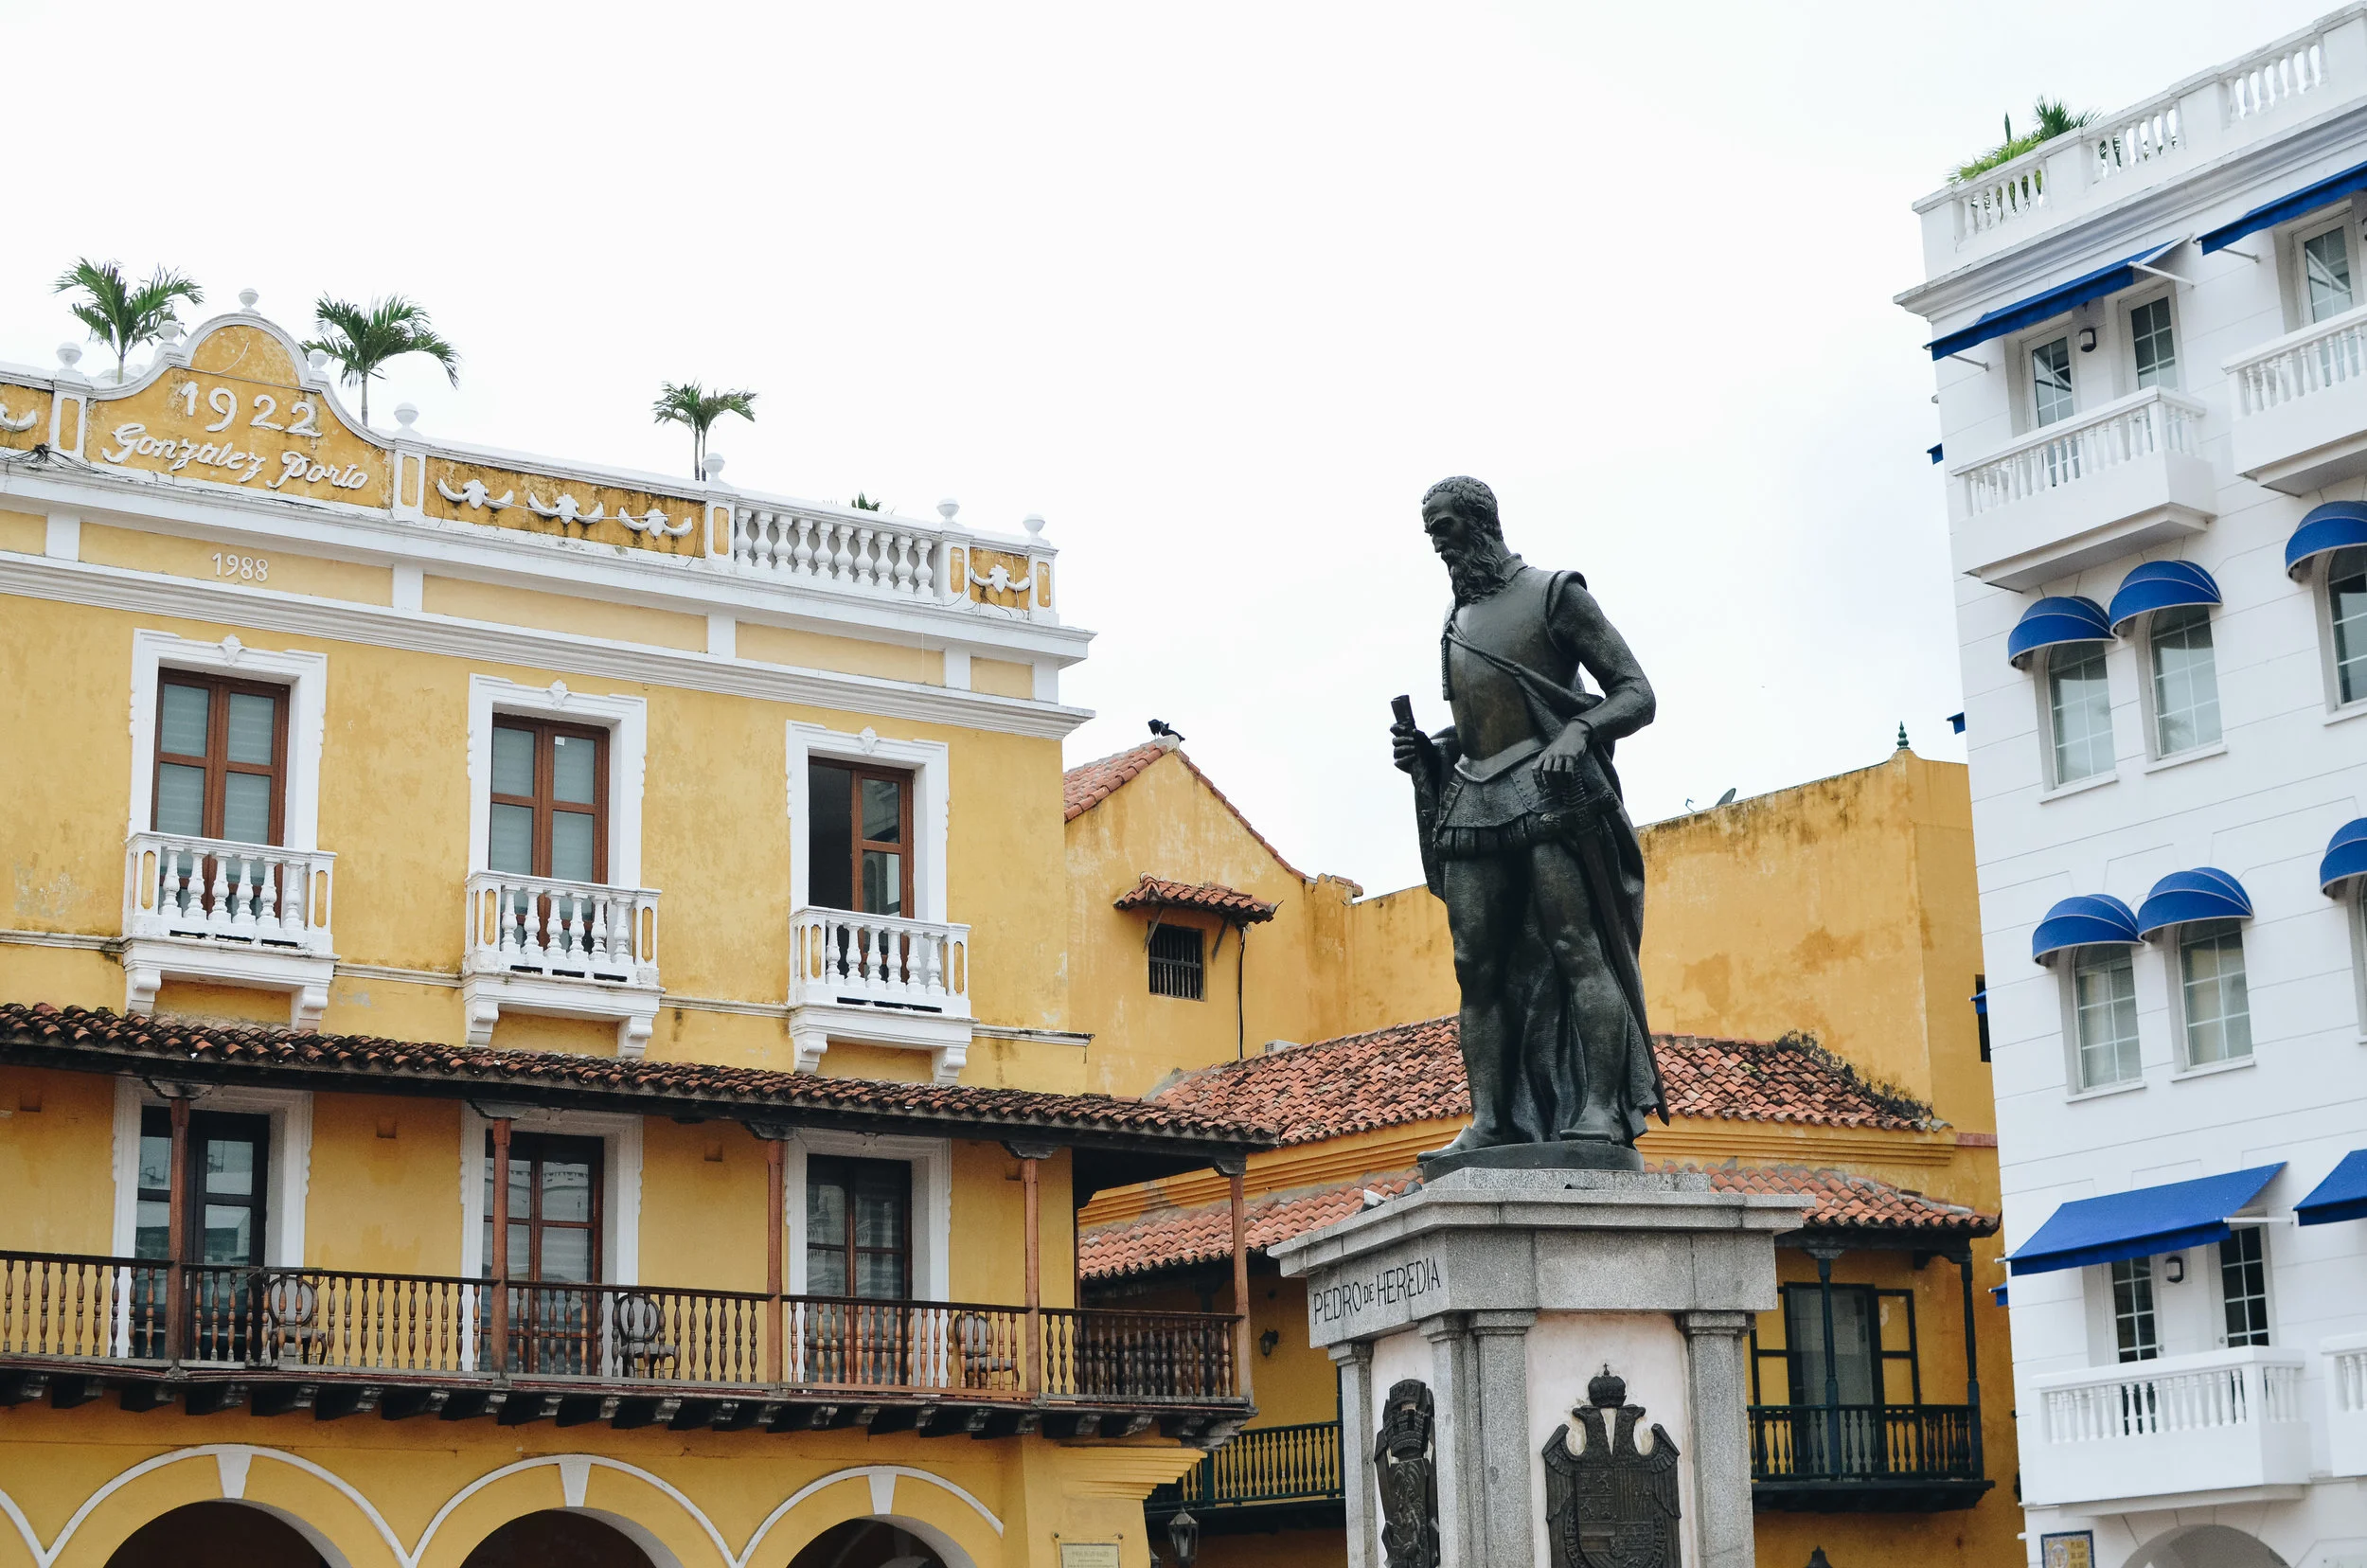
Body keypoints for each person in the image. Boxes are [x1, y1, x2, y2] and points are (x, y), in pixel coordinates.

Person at [1389, 476, 1665, 1161]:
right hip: (1475, 795)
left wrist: (1579, 734)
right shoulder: (1456, 618)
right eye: (1430, 533)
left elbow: (1636, 694)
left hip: (1550, 795)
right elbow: (1474, 724)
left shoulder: (1554, 593)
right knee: (1474, 965)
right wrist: (1424, 757)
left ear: (1480, 521)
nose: (1437, 543)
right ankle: (1491, 1119)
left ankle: (1600, 1108)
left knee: (1577, 948)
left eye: (1445, 527)